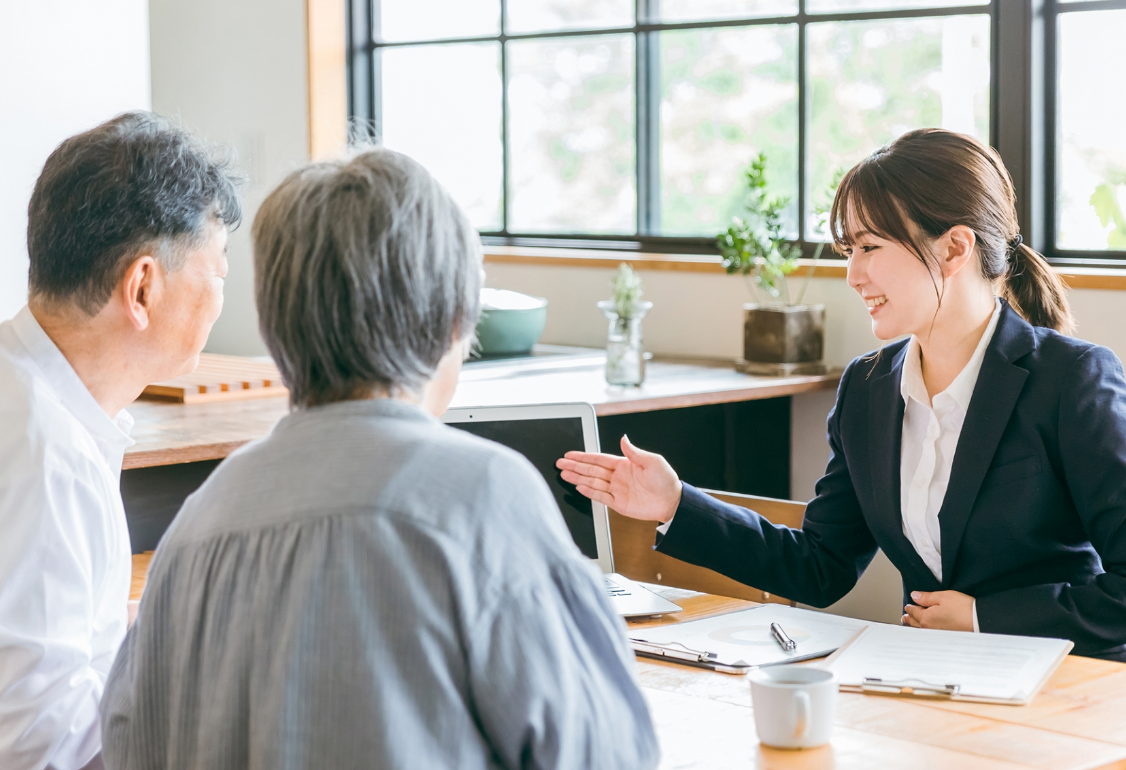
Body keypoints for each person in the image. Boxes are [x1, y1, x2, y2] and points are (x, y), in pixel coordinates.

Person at [99, 148, 659, 770]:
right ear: (454, 321)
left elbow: (128, 745)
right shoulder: (484, 497)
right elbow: (607, 753)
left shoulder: (199, 524)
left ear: (273, 324)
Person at [559, 128, 1126, 666]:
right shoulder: (869, 387)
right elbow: (820, 566)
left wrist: (983, 619)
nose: (852, 276)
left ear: (954, 249)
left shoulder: (1070, 378)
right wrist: (675, 503)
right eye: (850, 251)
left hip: (1083, 682)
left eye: (869, 248)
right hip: (945, 680)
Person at [0, 112, 241, 770]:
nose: (220, 300)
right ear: (142, 287)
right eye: (216, 275)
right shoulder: (46, 454)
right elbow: (41, 750)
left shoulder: (31, 397)